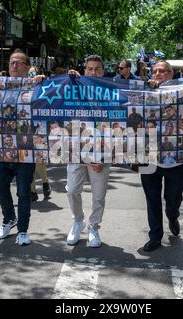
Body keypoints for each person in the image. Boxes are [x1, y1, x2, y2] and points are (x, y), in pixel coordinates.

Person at [0, 49, 37, 246]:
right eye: (11, 62)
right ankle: (9, 219)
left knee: (23, 192)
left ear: (27, 66)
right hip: (3, 149)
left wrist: (42, 80)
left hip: (25, 149)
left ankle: (22, 230)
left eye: (18, 63)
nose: (13, 66)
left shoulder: (35, 85)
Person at [65, 55, 111, 248]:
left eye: (97, 69)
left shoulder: (110, 91)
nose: (93, 72)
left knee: (98, 195)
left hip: (100, 152)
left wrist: (101, 155)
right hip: (77, 151)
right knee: (72, 190)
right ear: (84, 71)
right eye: (89, 69)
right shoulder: (74, 87)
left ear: (103, 72)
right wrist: (69, 79)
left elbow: (115, 126)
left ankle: (94, 226)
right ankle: (78, 220)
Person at [140, 60, 183, 252]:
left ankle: (173, 214)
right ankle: (155, 236)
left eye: (162, 71)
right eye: (155, 71)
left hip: (176, 157)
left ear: (171, 73)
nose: (158, 74)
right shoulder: (144, 91)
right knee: (152, 197)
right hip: (148, 155)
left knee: (172, 197)